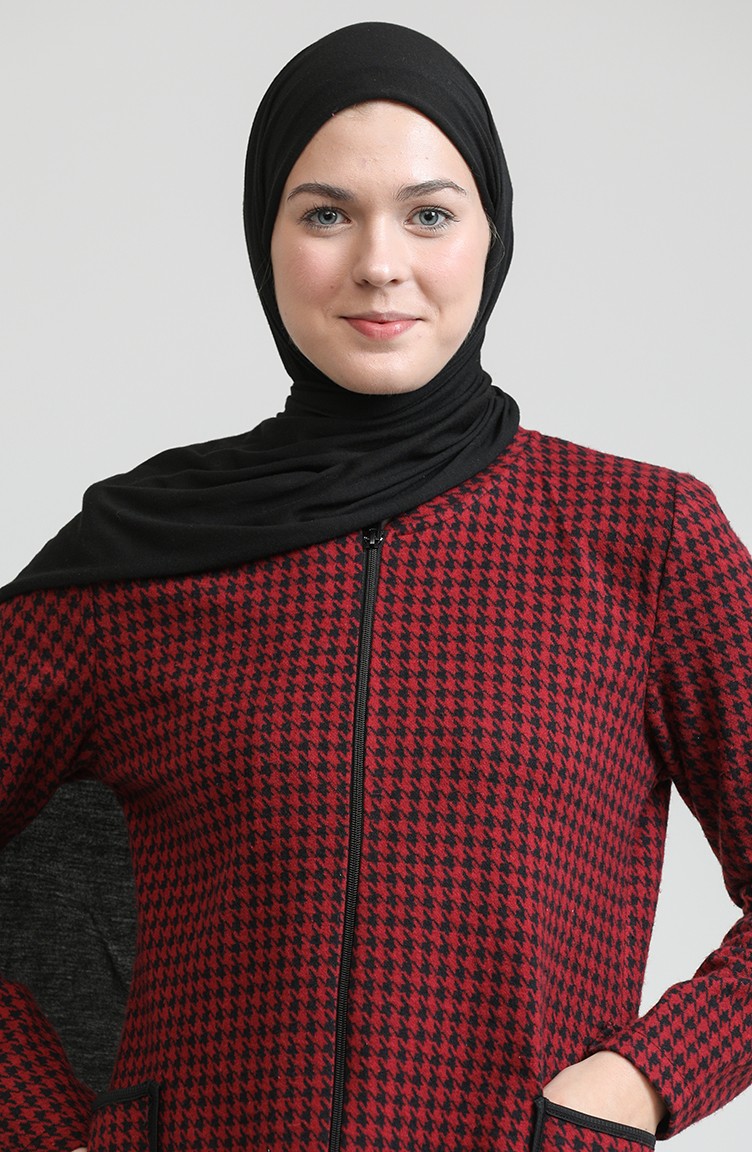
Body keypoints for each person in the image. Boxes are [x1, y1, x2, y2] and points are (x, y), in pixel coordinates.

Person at [0, 19, 750, 1152]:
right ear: (264, 237)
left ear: (491, 235)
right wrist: (51, 1132)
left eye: (428, 213)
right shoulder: (137, 556)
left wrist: (641, 1086)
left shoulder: (642, 539)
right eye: (324, 214)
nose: (379, 262)